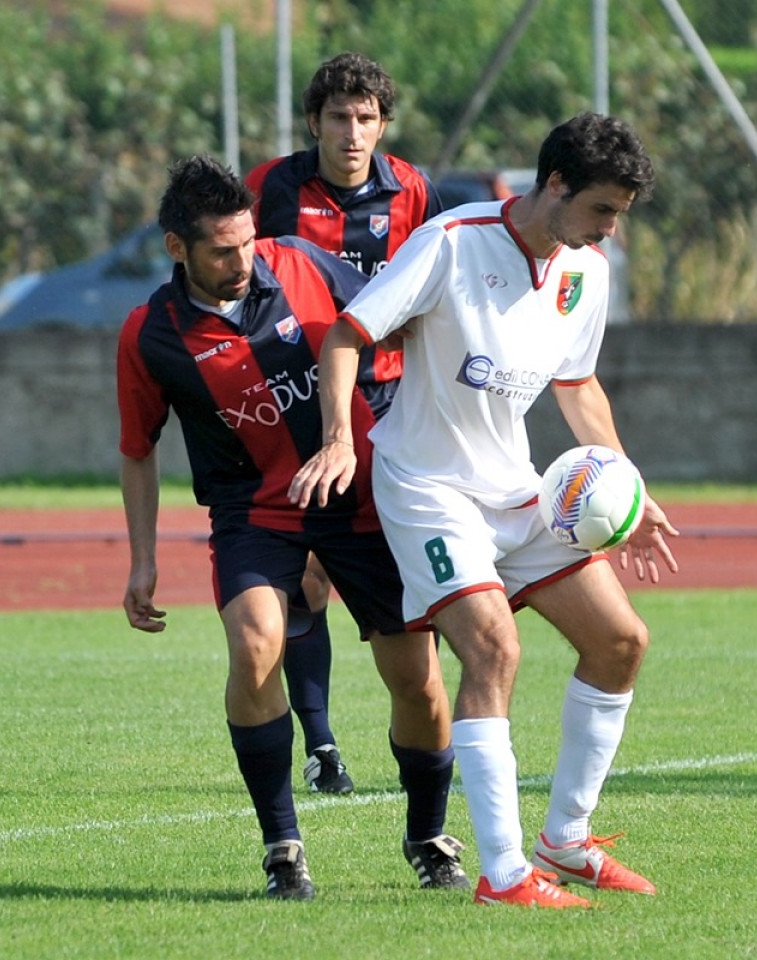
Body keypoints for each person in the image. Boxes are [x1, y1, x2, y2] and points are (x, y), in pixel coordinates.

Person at [290, 113, 680, 909]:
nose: (610, 229)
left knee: (621, 641)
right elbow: (345, 335)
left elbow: (577, 385)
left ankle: (564, 841)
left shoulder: (585, 270)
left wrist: (629, 487)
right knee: (493, 649)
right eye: (603, 210)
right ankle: (504, 875)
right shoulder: (453, 241)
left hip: (516, 491)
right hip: (428, 489)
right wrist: (338, 441)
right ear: (558, 185)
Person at [117, 155, 467, 900]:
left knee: (418, 680)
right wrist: (141, 561)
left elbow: (393, 319)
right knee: (253, 649)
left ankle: (428, 835)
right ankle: (283, 847)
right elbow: (137, 450)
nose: (242, 259)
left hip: (362, 497)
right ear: (177, 247)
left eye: (246, 241)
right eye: (220, 248)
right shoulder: (149, 335)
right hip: (254, 512)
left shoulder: (302, 264)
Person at [244, 52, 443, 795]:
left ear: (383, 125)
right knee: (308, 572)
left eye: (365, 119)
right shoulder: (275, 187)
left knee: (401, 572)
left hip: (391, 402)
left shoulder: (412, 189)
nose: (351, 132)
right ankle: (321, 742)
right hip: (302, 403)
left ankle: (427, 724)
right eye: (338, 117)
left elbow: (433, 279)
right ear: (314, 122)